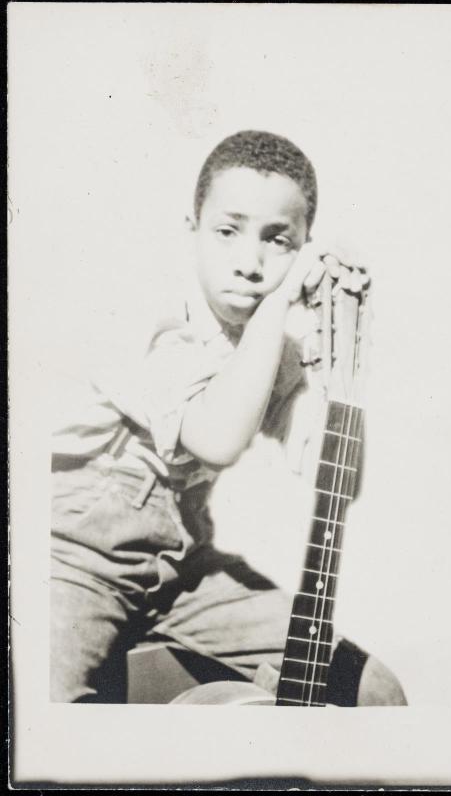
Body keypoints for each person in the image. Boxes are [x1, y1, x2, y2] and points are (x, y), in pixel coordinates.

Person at [51, 129, 407, 705]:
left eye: (279, 241)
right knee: (53, 725)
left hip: (183, 567)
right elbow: (215, 438)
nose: (251, 262)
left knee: (372, 693)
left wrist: (344, 351)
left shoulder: (269, 345)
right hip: (74, 557)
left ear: (304, 246)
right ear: (191, 231)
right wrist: (279, 306)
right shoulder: (139, 310)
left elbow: (333, 473)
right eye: (227, 231)